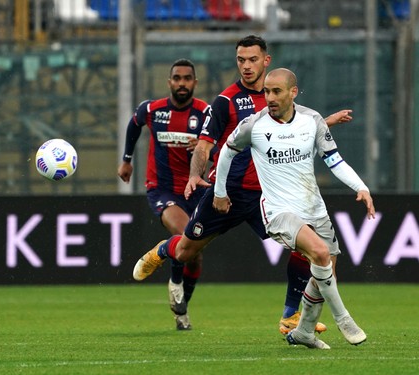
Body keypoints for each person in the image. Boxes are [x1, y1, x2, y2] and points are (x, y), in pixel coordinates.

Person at [132, 35, 353, 334]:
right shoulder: (225, 101)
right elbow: (204, 145)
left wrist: (326, 122)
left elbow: (296, 130)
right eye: (240, 60)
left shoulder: (279, 95)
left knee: (307, 248)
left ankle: (290, 316)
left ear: (266, 60)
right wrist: (196, 175)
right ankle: (162, 251)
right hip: (226, 193)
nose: (246, 66)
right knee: (186, 251)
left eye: (252, 60)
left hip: (267, 197)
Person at [213, 67, 375, 349]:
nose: (270, 97)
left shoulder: (311, 120)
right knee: (321, 254)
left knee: (326, 274)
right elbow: (227, 150)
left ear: (293, 92)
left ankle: (303, 332)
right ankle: (344, 318)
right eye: (266, 91)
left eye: (276, 91)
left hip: (314, 207)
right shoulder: (254, 125)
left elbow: (334, 160)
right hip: (279, 211)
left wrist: (361, 187)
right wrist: (219, 191)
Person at [118, 58, 212, 330]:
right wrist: (126, 159)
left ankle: (182, 312)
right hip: (162, 188)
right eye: (177, 78)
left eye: (187, 78)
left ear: (195, 82)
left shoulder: (205, 114)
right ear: (169, 82)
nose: (182, 83)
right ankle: (175, 280)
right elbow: (134, 124)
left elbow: (220, 146)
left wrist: (207, 147)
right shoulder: (153, 109)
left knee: (195, 254)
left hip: (195, 189)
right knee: (185, 233)